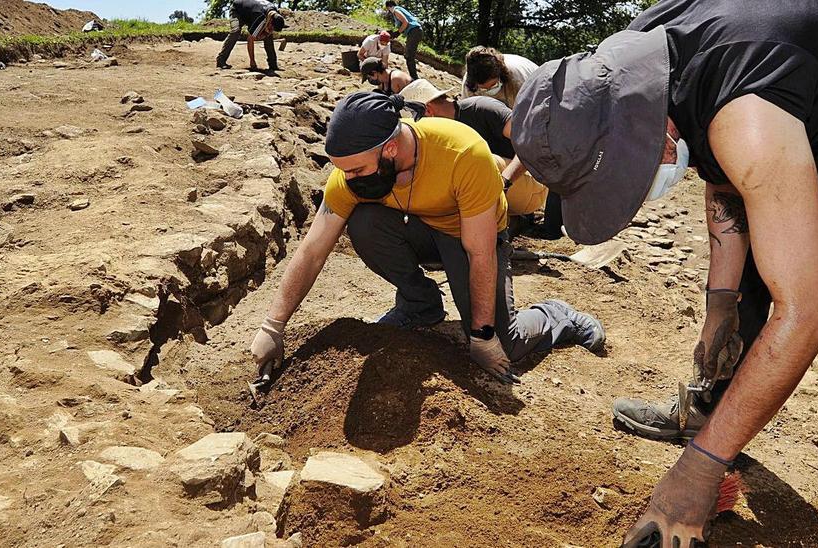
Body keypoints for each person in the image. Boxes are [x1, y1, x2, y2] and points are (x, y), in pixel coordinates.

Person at [509, 0, 818, 546]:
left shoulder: (746, 107)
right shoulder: (640, 61)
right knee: (763, 243)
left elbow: (807, 312)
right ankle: (713, 412)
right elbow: (722, 167)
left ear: (648, 130)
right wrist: (721, 301)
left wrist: (698, 473)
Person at [248, 91, 606, 390]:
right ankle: (420, 305)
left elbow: (480, 252)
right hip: (420, 229)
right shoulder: (353, 173)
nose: (348, 178)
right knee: (364, 221)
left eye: (356, 169)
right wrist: (273, 326)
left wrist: (482, 336)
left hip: (472, 237)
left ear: (390, 148)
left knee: (504, 342)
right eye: (343, 170)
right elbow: (312, 250)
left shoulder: (463, 153)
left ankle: (557, 316)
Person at [400, 78, 554, 229]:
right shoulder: (445, 131)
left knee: (473, 160)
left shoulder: (481, 108)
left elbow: (530, 144)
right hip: (496, 187)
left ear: (428, 111)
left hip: (531, 181)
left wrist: (504, 182)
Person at [215, 0, 286, 72]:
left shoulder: (275, 14)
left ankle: (273, 65)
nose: (271, 30)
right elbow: (250, 39)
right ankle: (221, 60)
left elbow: (268, 30)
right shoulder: (261, 17)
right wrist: (252, 61)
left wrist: (266, 32)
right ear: (270, 21)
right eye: (272, 28)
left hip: (250, 13)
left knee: (268, 36)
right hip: (237, 10)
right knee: (235, 31)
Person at [460, 46, 539, 109]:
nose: (489, 90)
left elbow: (528, 113)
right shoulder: (469, 85)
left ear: (500, 75)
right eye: (484, 89)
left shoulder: (517, 79)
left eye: (494, 85)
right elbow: (468, 113)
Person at [384, 0, 423, 80]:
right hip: (416, 31)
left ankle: (414, 79)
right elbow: (404, 24)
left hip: (414, 32)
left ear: (388, 7)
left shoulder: (396, 10)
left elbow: (405, 22)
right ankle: (414, 77)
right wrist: (396, 32)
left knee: (409, 56)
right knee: (409, 55)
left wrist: (397, 33)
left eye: (388, 10)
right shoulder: (400, 9)